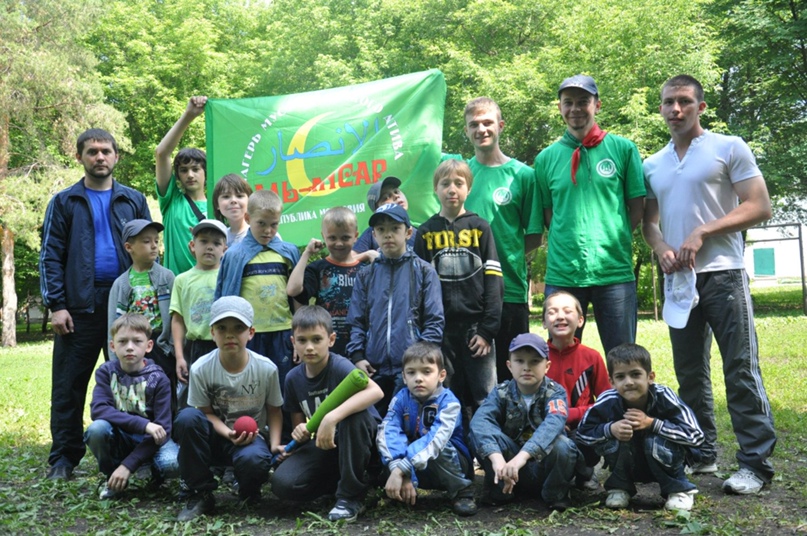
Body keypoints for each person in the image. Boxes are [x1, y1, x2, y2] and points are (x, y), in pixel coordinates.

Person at [642, 74, 776, 495]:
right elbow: (648, 221)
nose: (675, 110)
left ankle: (755, 463)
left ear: (700, 106)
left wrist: (703, 232)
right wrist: (661, 245)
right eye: (668, 102)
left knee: (740, 369)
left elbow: (760, 205)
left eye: (684, 101)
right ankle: (701, 452)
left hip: (724, 275)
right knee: (690, 374)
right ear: (661, 108)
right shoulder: (652, 163)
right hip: (679, 281)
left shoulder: (728, 147)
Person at [40, 128, 151, 481]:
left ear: (116, 156)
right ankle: (63, 458)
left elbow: (148, 248)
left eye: (106, 151)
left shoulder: (133, 199)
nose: (100, 157)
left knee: (134, 382)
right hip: (78, 307)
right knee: (69, 384)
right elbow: (50, 256)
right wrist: (57, 304)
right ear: (80, 157)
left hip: (126, 306)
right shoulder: (64, 201)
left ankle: (136, 456)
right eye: (92, 152)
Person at [534, 75, 646, 356]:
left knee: (622, 357)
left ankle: (621, 403)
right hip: (564, 274)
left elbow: (637, 205)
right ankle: (567, 403)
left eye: (583, 101)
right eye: (568, 102)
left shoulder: (623, 149)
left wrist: (613, 235)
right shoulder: (545, 159)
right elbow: (549, 214)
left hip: (614, 273)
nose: (575, 109)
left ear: (597, 105)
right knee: (560, 358)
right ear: (559, 107)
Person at [173, 296, 284, 521]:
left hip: (252, 439)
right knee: (186, 417)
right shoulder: (202, 368)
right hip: (214, 437)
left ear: (251, 333)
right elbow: (204, 412)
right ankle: (200, 492)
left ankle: (248, 488)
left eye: (238, 328)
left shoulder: (266, 369)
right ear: (212, 333)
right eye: (222, 328)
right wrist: (228, 433)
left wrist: (274, 445)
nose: (230, 334)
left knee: (254, 460)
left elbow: (274, 410)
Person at [458, 97, 543, 383]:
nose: (481, 129)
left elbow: (532, 236)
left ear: (500, 126)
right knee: (474, 379)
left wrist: (504, 254)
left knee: (515, 371)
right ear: (466, 131)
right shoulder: (460, 176)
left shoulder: (524, 175)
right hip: (468, 292)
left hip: (510, 290)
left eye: (487, 123)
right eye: (474, 124)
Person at [272, 306, 383, 523]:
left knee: (353, 417)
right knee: (283, 484)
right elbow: (301, 429)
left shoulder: (339, 366)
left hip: (361, 444)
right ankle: (347, 483)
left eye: (317, 339)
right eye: (302, 340)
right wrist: (298, 438)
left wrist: (332, 417)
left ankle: (350, 497)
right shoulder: (293, 379)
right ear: (293, 342)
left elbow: (376, 391)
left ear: (331, 340)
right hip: (328, 447)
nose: (310, 347)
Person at [414, 159, 502, 417]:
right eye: (445, 184)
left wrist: (488, 330)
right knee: (445, 393)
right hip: (439, 330)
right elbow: (417, 286)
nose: (452, 189)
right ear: (436, 189)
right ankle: (455, 454)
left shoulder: (480, 227)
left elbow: (494, 279)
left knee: (485, 395)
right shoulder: (425, 232)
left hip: (477, 329)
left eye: (458, 183)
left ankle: (489, 453)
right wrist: (424, 330)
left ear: (468, 189)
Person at [576, 343, 705, 511]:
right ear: (611, 381)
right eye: (620, 377)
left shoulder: (664, 396)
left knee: (653, 439)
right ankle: (620, 487)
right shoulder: (607, 399)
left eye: (635, 374)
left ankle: (678, 489)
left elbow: (696, 435)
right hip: (629, 460)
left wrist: (653, 424)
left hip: (666, 459)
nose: (628, 382)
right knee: (619, 436)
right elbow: (581, 433)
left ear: (650, 377)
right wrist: (610, 429)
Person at [346, 203, 444, 414]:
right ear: (374, 234)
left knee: (407, 425)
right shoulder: (365, 275)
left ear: (408, 232)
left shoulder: (425, 272)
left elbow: (434, 322)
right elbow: (356, 322)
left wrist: (418, 362)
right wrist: (357, 357)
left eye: (394, 228)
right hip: (373, 368)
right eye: (381, 230)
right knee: (372, 425)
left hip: (411, 370)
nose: (387, 235)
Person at [469, 333, 576, 511]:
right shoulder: (501, 392)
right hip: (508, 467)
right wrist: (496, 458)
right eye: (519, 361)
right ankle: (501, 490)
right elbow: (480, 422)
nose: (527, 367)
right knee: (478, 432)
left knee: (563, 445)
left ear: (547, 366)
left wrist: (521, 458)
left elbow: (553, 424)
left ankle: (555, 494)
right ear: (509, 366)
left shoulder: (555, 392)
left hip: (542, 467)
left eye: (535, 361)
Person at [377, 341, 477, 516]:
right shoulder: (400, 398)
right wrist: (397, 467)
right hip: (416, 464)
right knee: (389, 444)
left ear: (441, 375)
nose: (418, 378)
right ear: (404, 376)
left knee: (439, 445)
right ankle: (402, 485)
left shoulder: (449, 402)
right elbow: (388, 430)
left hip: (452, 464)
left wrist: (403, 467)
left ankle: (462, 491)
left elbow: (436, 439)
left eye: (426, 371)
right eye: (411, 372)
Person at [84, 314, 179, 499]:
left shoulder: (159, 378)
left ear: (149, 346)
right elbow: (99, 409)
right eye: (122, 341)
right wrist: (143, 424)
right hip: (121, 436)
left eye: (137, 341)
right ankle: (113, 476)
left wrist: (129, 464)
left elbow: (163, 429)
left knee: (173, 463)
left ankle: (151, 471)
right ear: (112, 346)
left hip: (152, 441)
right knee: (96, 430)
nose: (129, 347)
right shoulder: (106, 372)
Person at [215, 189, 300, 388]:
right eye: (261, 223)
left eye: (274, 225)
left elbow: (298, 297)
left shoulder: (288, 252)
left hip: (283, 332)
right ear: (248, 218)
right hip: (249, 334)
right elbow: (224, 296)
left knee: (283, 386)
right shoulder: (234, 255)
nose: (267, 231)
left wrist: (298, 334)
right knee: (249, 386)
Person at [542, 290, 610, 489]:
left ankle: (584, 471)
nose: (560, 316)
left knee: (592, 438)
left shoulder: (591, 357)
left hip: (581, 425)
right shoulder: (537, 357)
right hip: (544, 426)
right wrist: (553, 421)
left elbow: (605, 401)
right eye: (552, 312)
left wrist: (568, 415)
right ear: (544, 322)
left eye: (567, 311)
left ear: (580, 320)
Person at [287, 207, 367, 356]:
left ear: (355, 236)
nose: (338, 243)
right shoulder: (318, 269)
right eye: (332, 238)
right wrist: (307, 253)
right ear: (323, 236)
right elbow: (293, 290)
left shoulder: (365, 270)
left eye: (345, 238)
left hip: (360, 347)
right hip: (326, 347)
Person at [107, 219, 175, 392]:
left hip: (162, 347)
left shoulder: (167, 277)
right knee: (138, 392)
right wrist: (115, 359)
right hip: (134, 346)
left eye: (156, 241)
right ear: (129, 247)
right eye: (146, 241)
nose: (153, 246)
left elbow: (176, 317)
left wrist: (176, 349)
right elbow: (112, 324)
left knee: (165, 391)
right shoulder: (121, 283)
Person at [171, 219, 228, 407]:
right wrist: (180, 356)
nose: (210, 247)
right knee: (192, 400)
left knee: (223, 397)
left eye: (216, 243)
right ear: (192, 245)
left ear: (225, 249)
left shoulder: (228, 276)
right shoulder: (182, 280)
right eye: (204, 241)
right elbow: (178, 320)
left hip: (223, 346)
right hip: (194, 348)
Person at [155, 96, 209, 275]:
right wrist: (189, 115)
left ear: (205, 173)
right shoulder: (171, 200)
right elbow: (162, 153)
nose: (190, 175)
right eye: (184, 170)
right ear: (177, 175)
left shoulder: (219, 206)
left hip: (211, 289)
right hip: (176, 289)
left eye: (195, 169)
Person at [353, 176, 417, 255]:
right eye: (386, 197)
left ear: (408, 233)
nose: (396, 196)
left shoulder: (418, 232)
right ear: (377, 209)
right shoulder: (371, 233)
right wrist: (368, 254)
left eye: (396, 191)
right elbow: (352, 257)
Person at [211, 173, 253, 246]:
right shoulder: (217, 239)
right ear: (217, 204)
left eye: (239, 196)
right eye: (226, 196)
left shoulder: (260, 235)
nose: (233, 200)